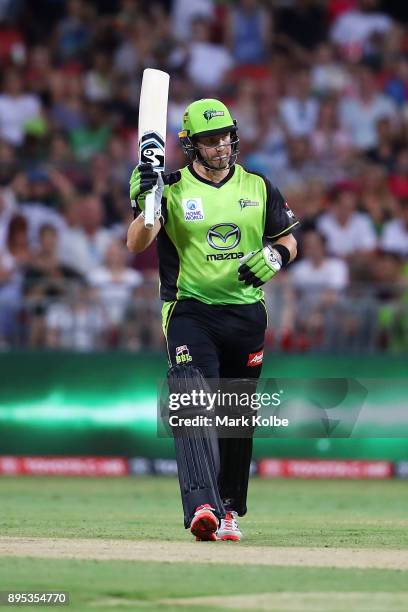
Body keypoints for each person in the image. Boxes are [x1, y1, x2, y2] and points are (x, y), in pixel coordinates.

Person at [127, 99, 299, 542]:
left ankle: (229, 509)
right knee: (191, 403)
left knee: (236, 415)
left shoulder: (259, 186)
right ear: (191, 145)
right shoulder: (171, 186)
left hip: (245, 313)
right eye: (210, 140)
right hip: (190, 310)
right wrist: (148, 200)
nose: (221, 146)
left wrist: (275, 256)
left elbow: (289, 240)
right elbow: (136, 242)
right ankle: (202, 504)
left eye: (225, 136)